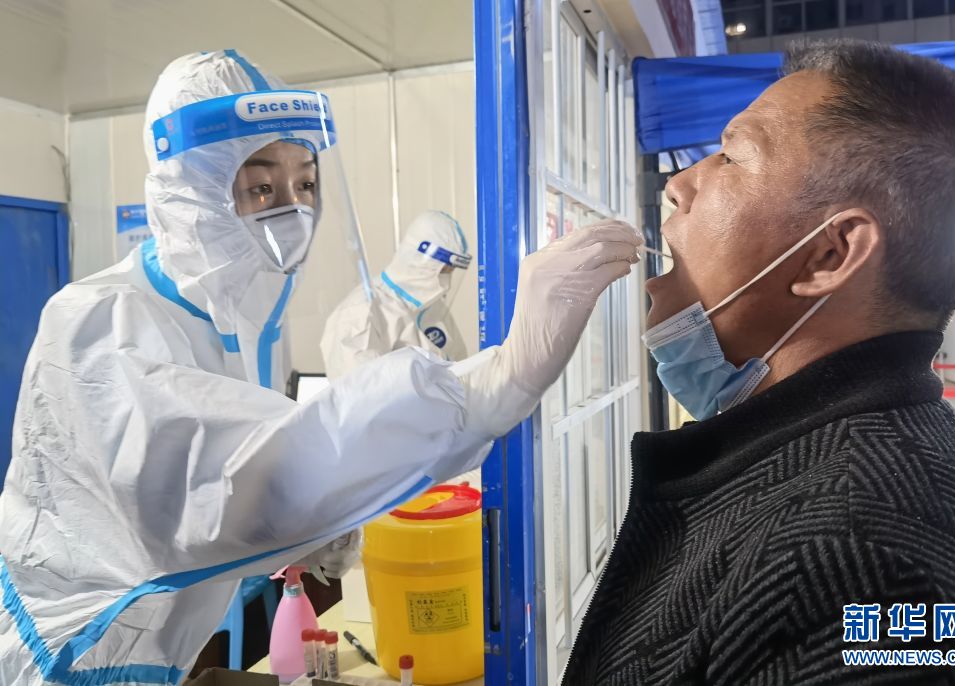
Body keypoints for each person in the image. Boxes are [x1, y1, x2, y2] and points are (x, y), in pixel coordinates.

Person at [0, 50, 641, 683]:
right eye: (260, 186)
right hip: (62, 662)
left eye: (304, 183)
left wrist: (318, 519)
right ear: (190, 189)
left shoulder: (228, 325)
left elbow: (241, 472)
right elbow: (219, 483)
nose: (292, 209)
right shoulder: (100, 322)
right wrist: (498, 381)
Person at [564, 40, 955, 684]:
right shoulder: (821, 468)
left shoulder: (876, 569)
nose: (678, 186)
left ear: (830, 255)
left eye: (731, 157)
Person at [321, 210, 471, 377]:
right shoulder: (361, 311)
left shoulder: (433, 309)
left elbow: (460, 369)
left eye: (450, 271)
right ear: (418, 258)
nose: (446, 283)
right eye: (443, 270)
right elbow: (361, 387)